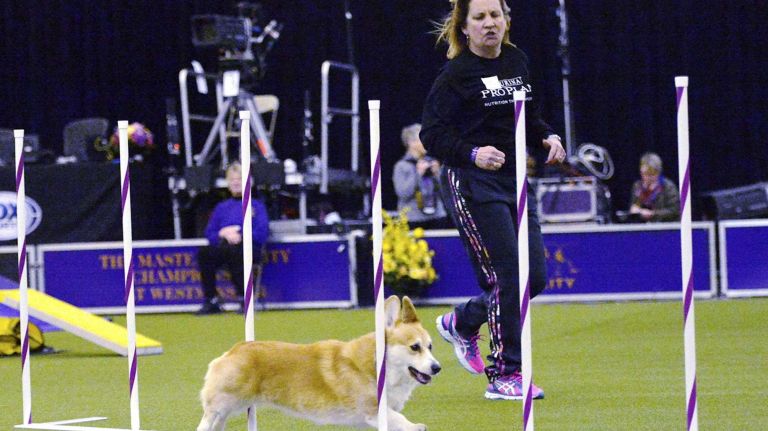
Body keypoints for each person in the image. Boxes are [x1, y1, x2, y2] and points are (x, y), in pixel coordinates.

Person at [420, 0, 566, 400]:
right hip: (472, 183)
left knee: (533, 278)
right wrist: (472, 153)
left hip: (515, 182)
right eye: (480, 17)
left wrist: (548, 137)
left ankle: (462, 322)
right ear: (464, 28)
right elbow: (430, 135)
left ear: (506, 21)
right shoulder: (456, 75)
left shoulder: (517, 61)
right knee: (505, 278)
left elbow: (529, 118)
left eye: (495, 16)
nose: (489, 24)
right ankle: (505, 374)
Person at [197, 162, 270, 314]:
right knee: (204, 253)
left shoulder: (256, 206)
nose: (236, 182)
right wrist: (222, 233)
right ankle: (211, 300)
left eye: (239, 178)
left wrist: (240, 234)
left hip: (249, 247)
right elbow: (209, 232)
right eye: (232, 179)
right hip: (224, 246)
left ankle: (244, 299)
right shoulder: (221, 207)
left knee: (236, 251)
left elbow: (262, 232)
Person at [392, 123, 450, 228]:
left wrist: (438, 174)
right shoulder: (402, 166)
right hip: (412, 220)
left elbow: (447, 192)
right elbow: (403, 194)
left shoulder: (432, 163)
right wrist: (418, 174)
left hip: (438, 218)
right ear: (411, 143)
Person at [629, 152, 680, 222]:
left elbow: (674, 211)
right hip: (643, 227)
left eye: (651, 174)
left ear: (658, 172)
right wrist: (636, 210)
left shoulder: (668, 187)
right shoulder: (637, 186)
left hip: (666, 226)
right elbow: (635, 206)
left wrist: (653, 214)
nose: (647, 177)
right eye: (644, 174)